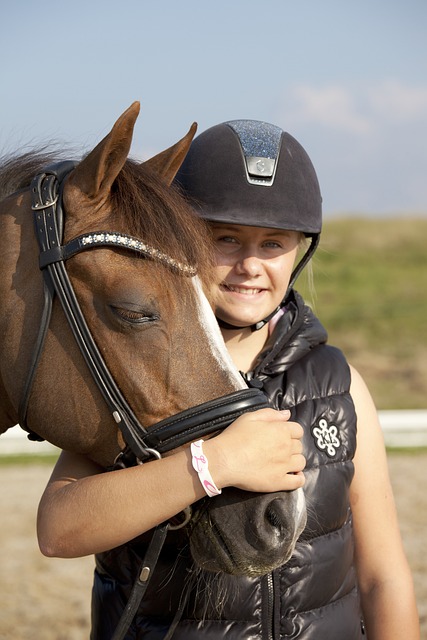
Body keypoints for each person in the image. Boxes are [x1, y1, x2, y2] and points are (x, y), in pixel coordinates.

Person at [36, 119, 420, 640]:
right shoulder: (134, 374)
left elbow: (382, 577)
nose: (249, 265)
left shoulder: (339, 384)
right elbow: (58, 529)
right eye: (224, 238)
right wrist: (214, 463)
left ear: (298, 251)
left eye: (272, 244)